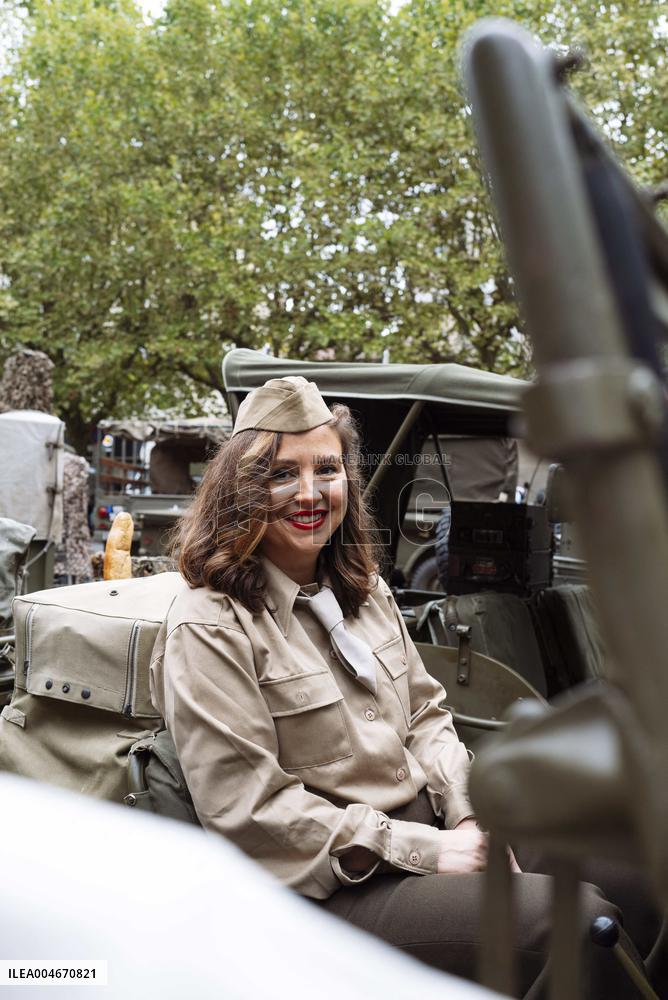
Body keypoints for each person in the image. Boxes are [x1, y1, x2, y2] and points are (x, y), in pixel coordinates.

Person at [150, 375, 645, 998]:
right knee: (573, 922)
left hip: (436, 833)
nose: (310, 492)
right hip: (333, 883)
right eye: (281, 474)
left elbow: (428, 720)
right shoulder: (211, 623)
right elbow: (253, 813)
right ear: (240, 490)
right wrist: (428, 852)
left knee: (641, 873)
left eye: (327, 469)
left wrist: (468, 819)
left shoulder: (365, 594)